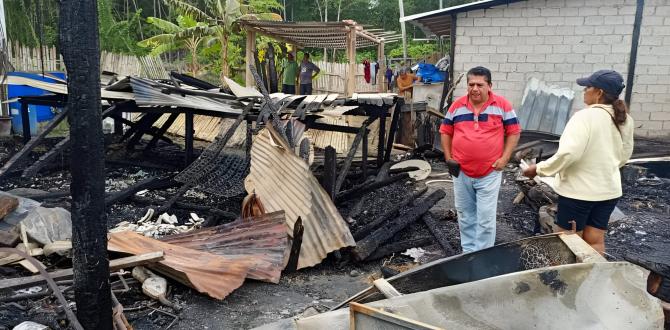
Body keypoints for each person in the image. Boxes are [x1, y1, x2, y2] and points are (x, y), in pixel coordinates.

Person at [523, 70, 634, 255]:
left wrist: (539, 169)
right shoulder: (625, 119)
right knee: (595, 241)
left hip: (580, 194)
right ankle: (593, 279)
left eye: (587, 87)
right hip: (609, 191)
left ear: (598, 92)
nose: (584, 91)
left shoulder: (584, 117)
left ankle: (566, 283)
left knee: (566, 244)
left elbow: (568, 154)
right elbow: (624, 155)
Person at [440, 66, 521, 253]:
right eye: (471, 84)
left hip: (489, 172)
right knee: (465, 215)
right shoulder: (457, 106)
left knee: (485, 218)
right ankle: (468, 253)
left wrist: (505, 158)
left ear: (489, 86)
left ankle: (483, 255)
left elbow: (514, 132)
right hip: (461, 172)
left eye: (480, 84)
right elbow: (445, 131)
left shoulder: (502, 106)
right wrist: (448, 157)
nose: (475, 88)